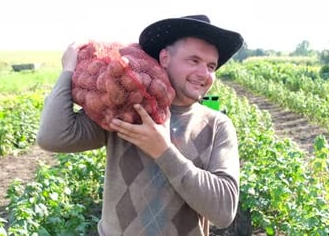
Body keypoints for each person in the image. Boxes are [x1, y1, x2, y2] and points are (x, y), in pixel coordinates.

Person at [36, 14, 244, 236]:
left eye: (211, 66)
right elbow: (53, 136)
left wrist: (163, 151)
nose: (204, 74)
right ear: (164, 58)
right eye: (193, 60)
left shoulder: (216, 126)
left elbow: (224, 211)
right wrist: (68, 70)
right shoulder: (127, 110)